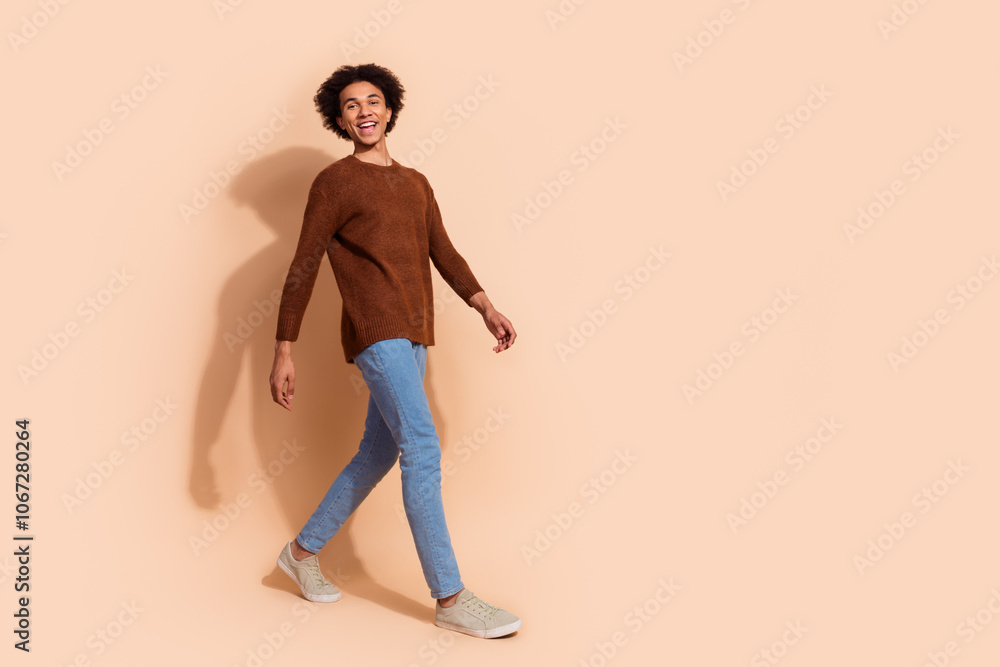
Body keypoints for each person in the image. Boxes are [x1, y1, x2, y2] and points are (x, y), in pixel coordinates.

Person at [268, 63, 520, 639]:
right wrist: (285, 350)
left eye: (373, 101)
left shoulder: (416, 182)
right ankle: (450, 596)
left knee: (376, 455)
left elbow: (444, 252)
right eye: (351, 106)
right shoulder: (334, 182)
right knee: (423, 447)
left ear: (391, 109)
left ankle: (301, 555)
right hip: (375, 332)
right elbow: (304, 265)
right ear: (339, 120)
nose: (364, 112)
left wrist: (486, 307)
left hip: (415, 334)